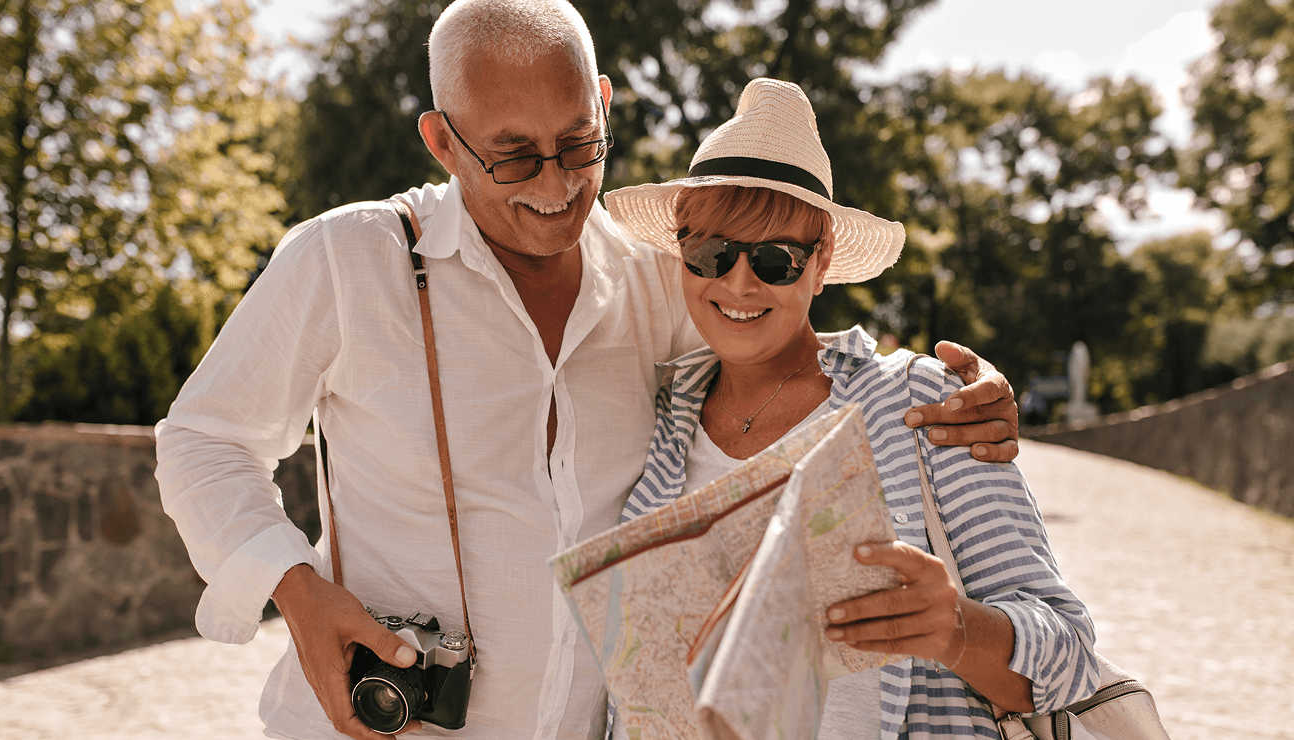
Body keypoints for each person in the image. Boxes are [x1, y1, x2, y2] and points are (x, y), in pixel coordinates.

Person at [154, 2, 1021, 738]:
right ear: (441, 141)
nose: (557, 185)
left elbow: (776, 320)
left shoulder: (659, 279)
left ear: (604, 103)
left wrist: (959, 389)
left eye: (579, 143)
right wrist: (296, 591)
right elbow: (202, 441)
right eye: (514, 155)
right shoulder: (347, 257)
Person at [605, 78, 1097, 739]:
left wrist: (953, 628)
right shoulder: (657, 408)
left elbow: (1071, 655)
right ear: (681, 254)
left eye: (775, 259)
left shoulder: (922, 404)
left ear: (821, 261)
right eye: (711, 253)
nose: (738, 281)